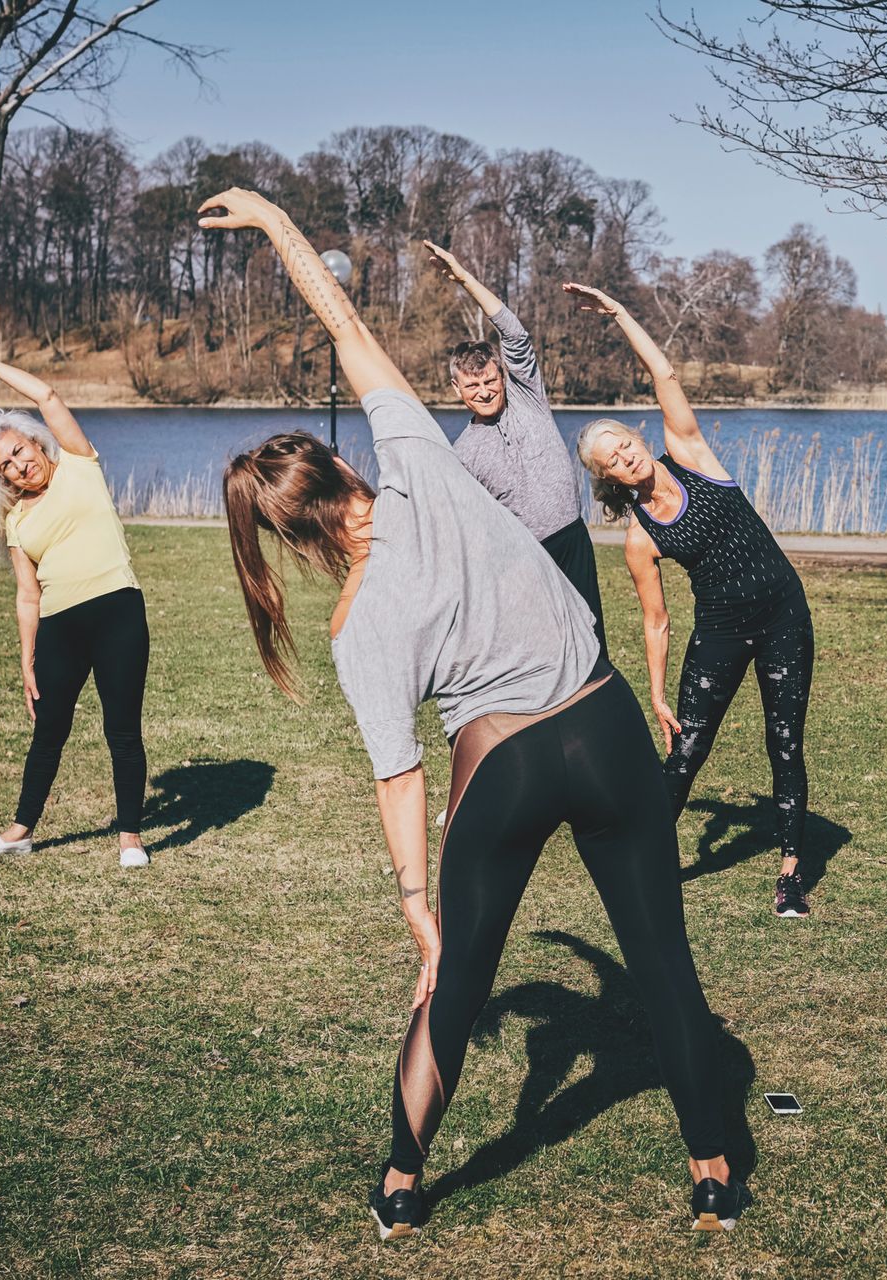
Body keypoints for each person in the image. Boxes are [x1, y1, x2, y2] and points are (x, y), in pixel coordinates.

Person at [198, 187, 740, 1239]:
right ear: (341, 464)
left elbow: (399, 776)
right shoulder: (418, 459)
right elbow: (344, 326)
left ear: (289, 537)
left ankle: (401, 1182)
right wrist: (272, 220)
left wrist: (417, 910)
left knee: (450, 988)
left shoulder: (357, 624)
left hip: (503, 772)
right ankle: (712, 1168)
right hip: (605, 724)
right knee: (664, 962)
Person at [567, 282, 817, 921]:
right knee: (688, 749)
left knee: (784, 741)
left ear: (638, 437)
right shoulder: (639, 537)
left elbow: (665, 372)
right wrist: (655, 693)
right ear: (608, 478)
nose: (626, 456)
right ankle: (643, 860)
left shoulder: (692, 455)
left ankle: (791, 873)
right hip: (722, 629)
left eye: (625, 442)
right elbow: (657, 619)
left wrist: (620, 313)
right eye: (612, 460)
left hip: (784, 614)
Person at [0, 355, 150, 869]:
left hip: (118, 613)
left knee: (121, 729)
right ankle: (19, 832)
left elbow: (49, 397)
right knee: (49, 731)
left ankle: (130, 838)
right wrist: (26, 659)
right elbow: (27, 595)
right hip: (61, 628)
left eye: (20, 451)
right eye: (7, 466)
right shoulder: (17, 519)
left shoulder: (81, 463)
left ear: (36, 441)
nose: (20, 466)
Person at [420, 238, 608, 655]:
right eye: (473, 386)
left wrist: (464, 278)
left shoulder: (528, 397)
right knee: (544, 654)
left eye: (490, 381)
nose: (485, 392)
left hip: (572, 539)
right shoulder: (463, 452)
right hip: (525, 558)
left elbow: (514, 333)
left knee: (592, 646)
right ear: (456, 389)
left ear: (502, 377)